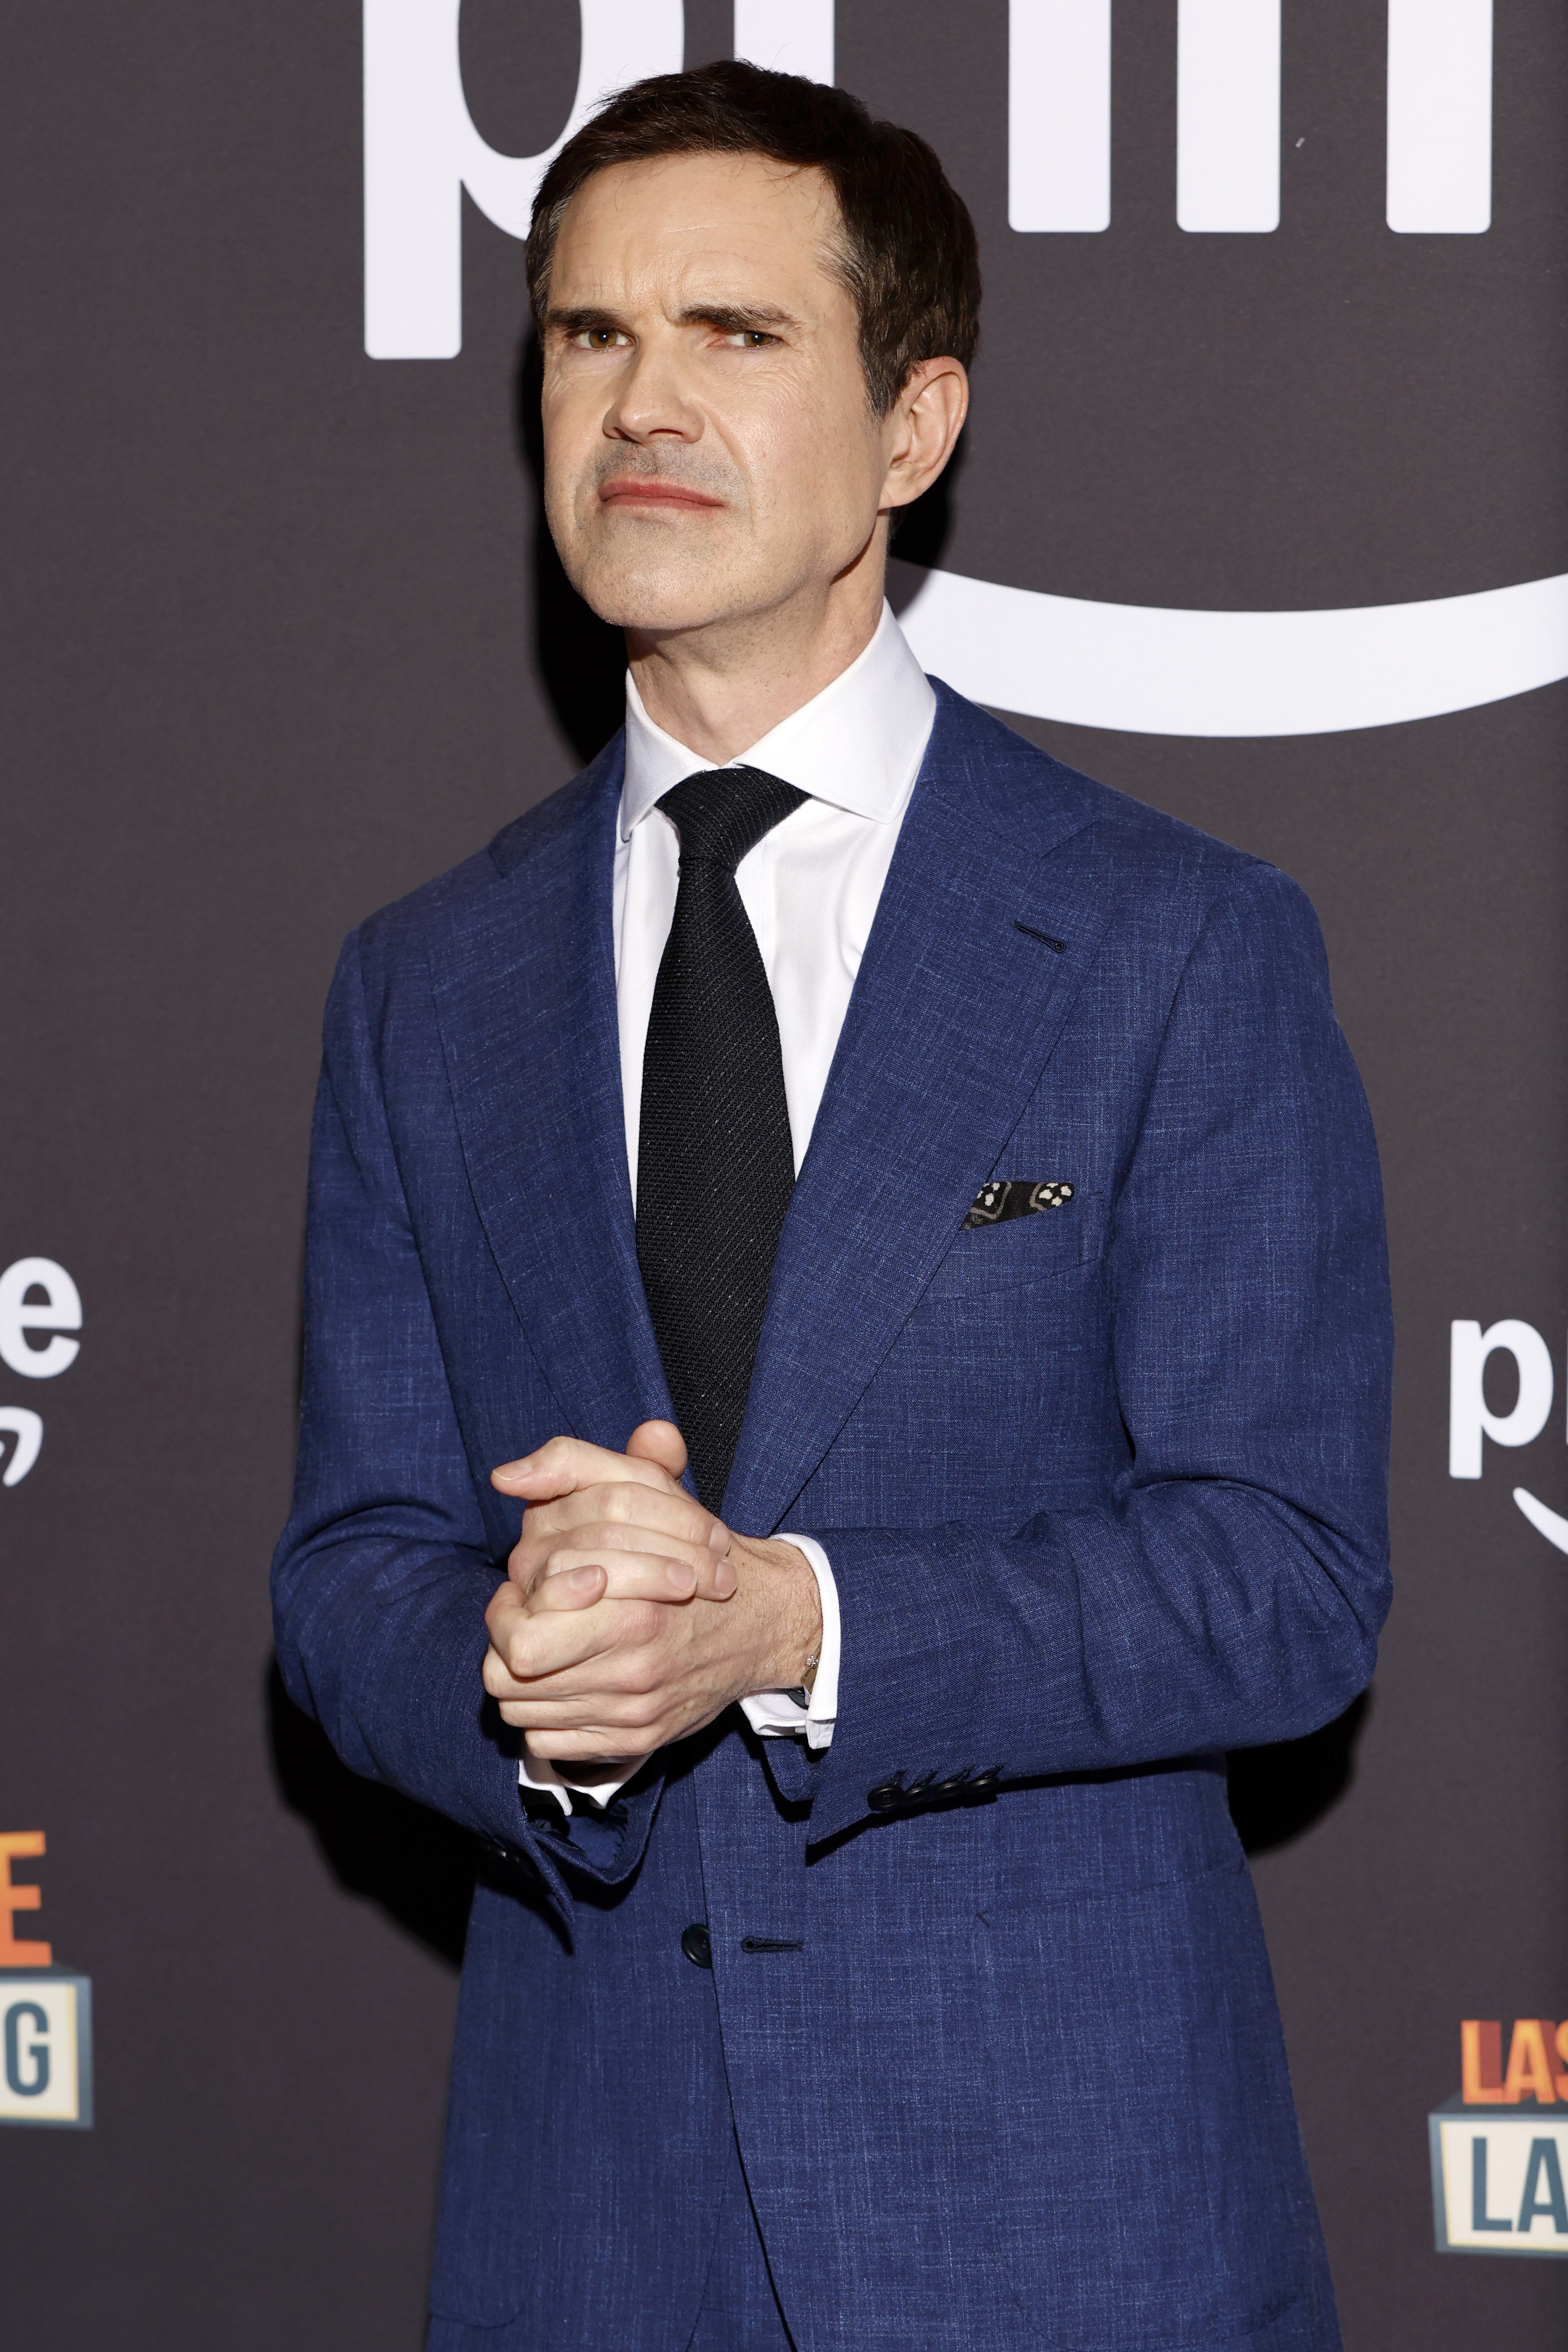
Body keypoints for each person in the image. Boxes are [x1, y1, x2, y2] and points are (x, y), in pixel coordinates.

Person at [272, 59, 1392, 2352]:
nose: (641, 401)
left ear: (914, 423)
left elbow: (1286, 1577)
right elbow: (346, 1571)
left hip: (1067, 2227)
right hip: (588, 2229)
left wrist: (791, 1623)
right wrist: (525, 1669)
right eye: (589, 337)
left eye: (735, 336)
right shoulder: (422, 982)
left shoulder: (1176, 937)